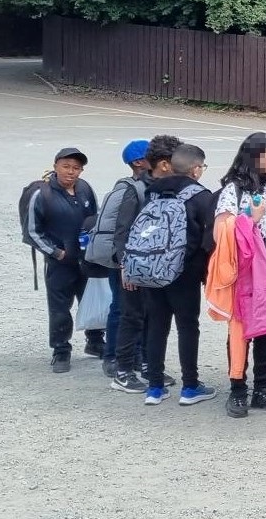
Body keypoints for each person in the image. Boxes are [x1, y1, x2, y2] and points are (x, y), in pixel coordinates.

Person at [215, 131, 266, 417]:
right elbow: (221, 231)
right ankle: (237, 388)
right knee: (240, 327)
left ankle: (262, 385)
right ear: (256, 156)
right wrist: (251, 220)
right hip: (247, 261)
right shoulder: (235, 189)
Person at [141, 144, 218, 407]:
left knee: (156, 326)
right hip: (184, 272)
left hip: (152, 268)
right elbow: (208, 239)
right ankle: (190, 386)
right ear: (195, 169)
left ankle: (154, 387)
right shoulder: (201, 196)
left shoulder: (153, 191)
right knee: (187, 326)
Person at [109, 136, 181, 392]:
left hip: (159, 267)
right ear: (163, 164)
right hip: (135, 267)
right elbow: (122, 232)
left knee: (154, 317)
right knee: (132, 317)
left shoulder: (169, 188)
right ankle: (123, 371)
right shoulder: (136, 190)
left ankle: (149, 365)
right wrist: (125, 268)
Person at [26, 147, 99, 373]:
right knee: (59, 308)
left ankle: (95, 341)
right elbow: (32, 232)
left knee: (92, 300)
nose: (71, 171)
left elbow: (95, 219)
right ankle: (61, 350)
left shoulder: (85, 188)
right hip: (60, 263)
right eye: (66, 166)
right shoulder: (42, 194)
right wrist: (57, 253)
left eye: (76, 168)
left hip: (86, 259)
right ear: (55, 166)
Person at [98, 139, 150, 378]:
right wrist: (124, 265)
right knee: (121, 308)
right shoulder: (130, 190)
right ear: (139, 162)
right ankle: (111, 356)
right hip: (123, 262)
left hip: (138, 261)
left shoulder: (147, 186)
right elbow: (122, 231)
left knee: (140, 310)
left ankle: (136, 356)